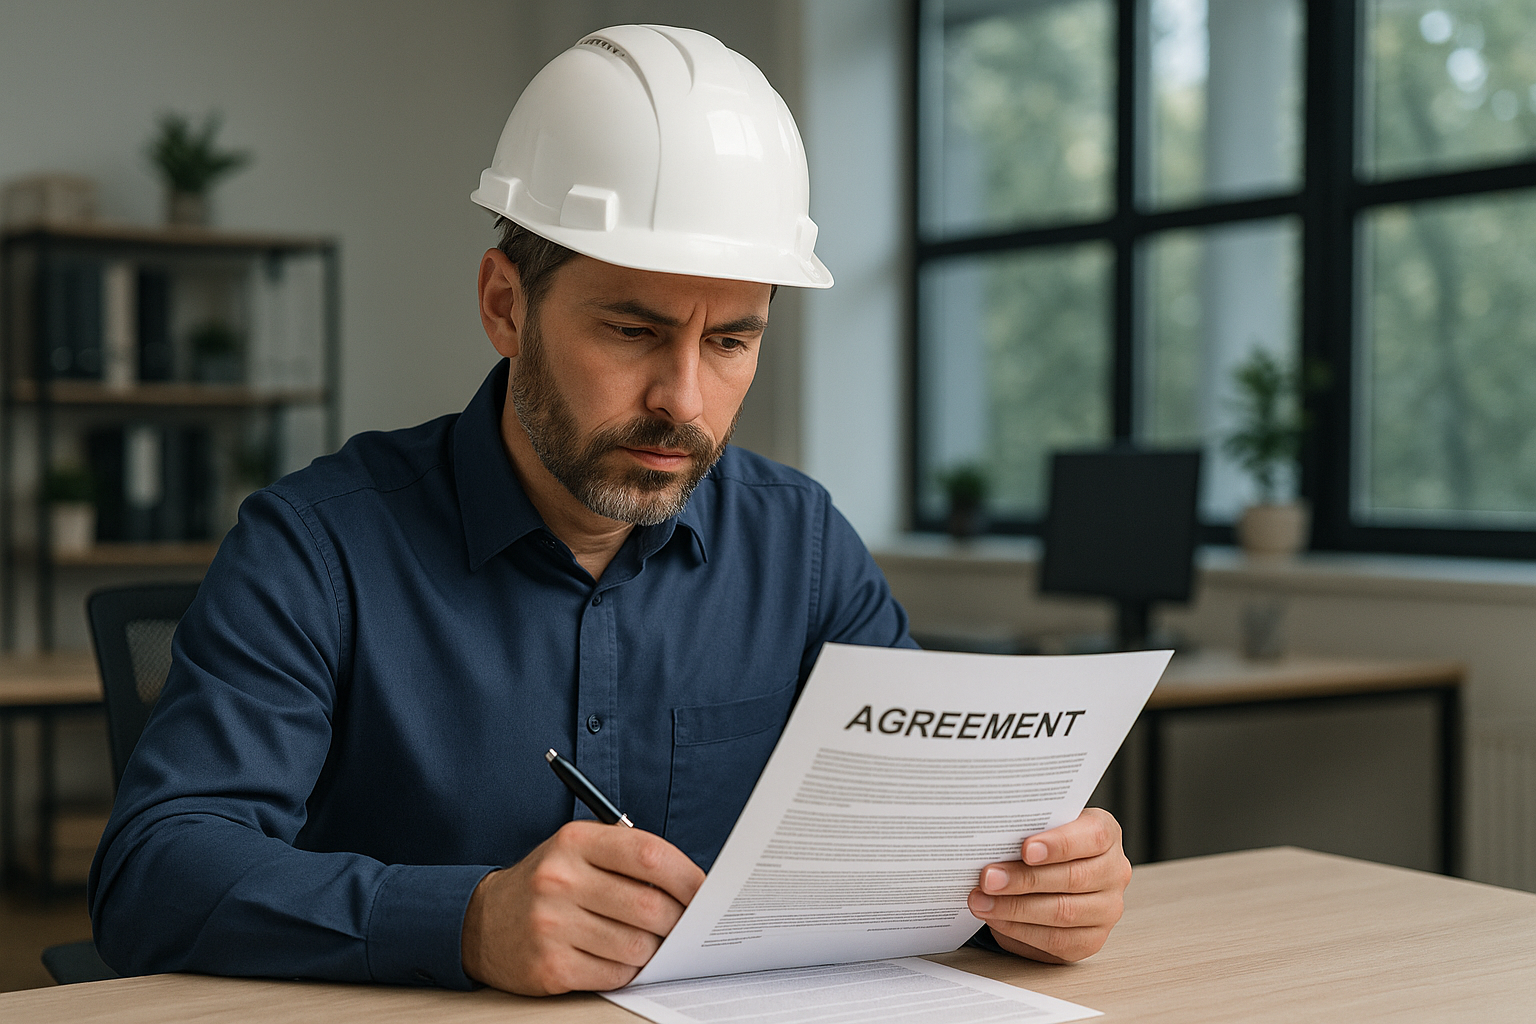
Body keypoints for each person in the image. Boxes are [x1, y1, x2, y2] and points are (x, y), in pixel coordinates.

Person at [89, 25, 1132, 996]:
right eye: (633, 330)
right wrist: (465, 920)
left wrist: (1029, 890)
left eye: (730, 340)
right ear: (507, 305)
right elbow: (155, 872)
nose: (684, 398)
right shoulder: (314, 548)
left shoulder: (802, 547)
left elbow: (923, 835)